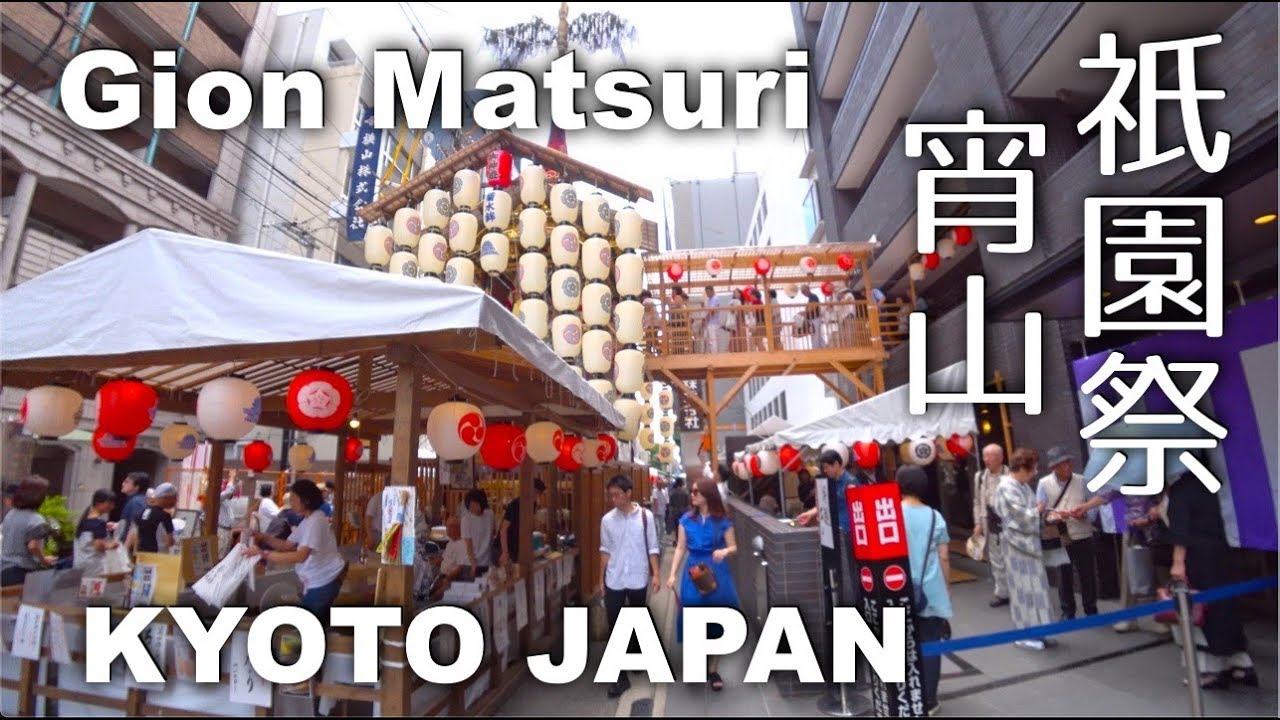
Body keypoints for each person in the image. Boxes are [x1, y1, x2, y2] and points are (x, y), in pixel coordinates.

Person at [246, 479, 347, 695]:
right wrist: (263, 537)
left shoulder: (316, 521)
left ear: (306, 500)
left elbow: (300, 556)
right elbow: (287, 545)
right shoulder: (309, 520)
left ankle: (300, 678)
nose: (291, 503)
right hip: (319, 581)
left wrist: (263, 554)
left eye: (294, 499)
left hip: (323, 581)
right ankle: (305, 677)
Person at [1166, 468, 1258, 689]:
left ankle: (1209, 669)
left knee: (1201, 612)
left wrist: (1178, 561)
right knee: (1226, 608)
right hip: (1220, 552)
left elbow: (1180, 529)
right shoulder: (1212, 483)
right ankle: (1239, 663)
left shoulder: (1180, 489)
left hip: (1196, 557)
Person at [667, 477, 740, 692]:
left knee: (719, 617)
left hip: (718, 572)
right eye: (692, 492)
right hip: (693, 571)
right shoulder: (685, 520)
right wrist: (671, 574)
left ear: (708, 495)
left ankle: (713, 669)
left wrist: (725, 551)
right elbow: (680, 548)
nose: (692, 495)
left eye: (697, 492)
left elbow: (734, 546)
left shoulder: (723, 520)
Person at [598, 475, 660, 699]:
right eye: (611, 495)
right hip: (614, 578)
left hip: (637, 576)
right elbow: (604, 551)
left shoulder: (646, 517)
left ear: (628, 493)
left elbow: (652, 546)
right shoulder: (607, 520)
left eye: (617, 494)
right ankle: (619, 678)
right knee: (615, 625)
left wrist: (656, 574)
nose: (613, 499)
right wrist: (600, 580)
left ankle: (635, 653)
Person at [898, 466, 952, 716]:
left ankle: (906, 695)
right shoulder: (935, 517)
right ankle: (929, 700)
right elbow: (944, 559)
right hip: (930, 591)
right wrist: (946, 591)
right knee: (930, 644)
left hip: (898, 590)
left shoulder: (892, 516)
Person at [995, 448, 1059, 650]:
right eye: (1032, 469)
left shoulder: (1020, 485)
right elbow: (1021, 515)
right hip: (1017, 545)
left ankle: (1040, 630)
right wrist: (1038, 510)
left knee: (1037, 589)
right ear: (1022, 468)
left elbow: (1031, 512)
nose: (1034, 473)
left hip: (1027, 544)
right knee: (1023, 590)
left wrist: (1046, 515)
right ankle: (1024, 634)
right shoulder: (1007, 486)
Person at [1036, 446, 1097, 620]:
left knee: (1088, 574)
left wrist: (1085, 513)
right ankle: (1067, 611)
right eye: (1062, 465)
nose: (1067, 467)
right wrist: (1053, 516)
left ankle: (1091, 609)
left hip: (1082, 533)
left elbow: (1092, 506)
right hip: (1060, 535)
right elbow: (1041, 510)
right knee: (1064, 574)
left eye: (1068, 463)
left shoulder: (1082, 480)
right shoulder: (1044, 484)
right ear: (1053, 468)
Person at [971, 444, 1011, 607]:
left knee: (1011, 558)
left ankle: (1016, 590)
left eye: (991, 456)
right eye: (985, 456)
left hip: (1008, 523)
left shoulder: (1010, 475)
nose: (986, 460)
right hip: (989, 522)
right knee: (996, 559)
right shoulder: (980, 476)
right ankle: (1002, 593)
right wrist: (978, 522)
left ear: (1000, 458)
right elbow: (977, 501)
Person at [0, 476, 55, 587]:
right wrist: (44, 560)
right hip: (22, 571)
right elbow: (32, 546)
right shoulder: (36, 519)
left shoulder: (11, 514)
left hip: (4, 570)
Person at [499, 478, 546, 567]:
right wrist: (505, 552)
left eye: (538, 493)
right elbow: (503, 529)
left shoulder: (533, 504)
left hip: (519, 546)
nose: (536, 496)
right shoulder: (515, 505)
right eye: (535, 492)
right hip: (506, 547)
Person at [73, 489, 120, 578]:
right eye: (109, 503)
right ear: (98, 503)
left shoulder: (85, 520)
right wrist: (111, 546)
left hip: (80, 562)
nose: (112, 506)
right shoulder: (99, 523)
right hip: (94, 565)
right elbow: (98, 546)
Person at [130, 483, 178, 554]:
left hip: (141, 555)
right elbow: (169, 541)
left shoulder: (142, 512)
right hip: (158, 556)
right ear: (165, 497)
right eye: (174, 498)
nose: (175, 502)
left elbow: (134, 537)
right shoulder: (164, 516)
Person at [461, 489, 495, 575]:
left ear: (481, 503)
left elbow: (493, 532)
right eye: (469, 506)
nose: (471, 508)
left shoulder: (490, 515)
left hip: (487, 562)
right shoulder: (466, 519)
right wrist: (473, 565)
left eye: (474, 505)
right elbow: (469, 545)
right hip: (470, 563)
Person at [117, 471, 151, 542]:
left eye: (127, 482)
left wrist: (126, 546)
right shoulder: (136, 500)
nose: (123, 484)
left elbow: (135, 527)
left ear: (136, 487)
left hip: (130, 545)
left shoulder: (137, 502)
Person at [650, 476, 669, 545]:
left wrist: (665, 508)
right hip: (656, 512)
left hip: (662, 511)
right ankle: (657, 540)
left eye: (662, 484)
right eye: (660, 484)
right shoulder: (655, 491)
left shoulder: (664, 491)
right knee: (657, 526)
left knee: (662, 526)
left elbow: (666, 501)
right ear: (657, 485)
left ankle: (660, 539)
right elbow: (655, 502)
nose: (662, 486)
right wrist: (654, 512)